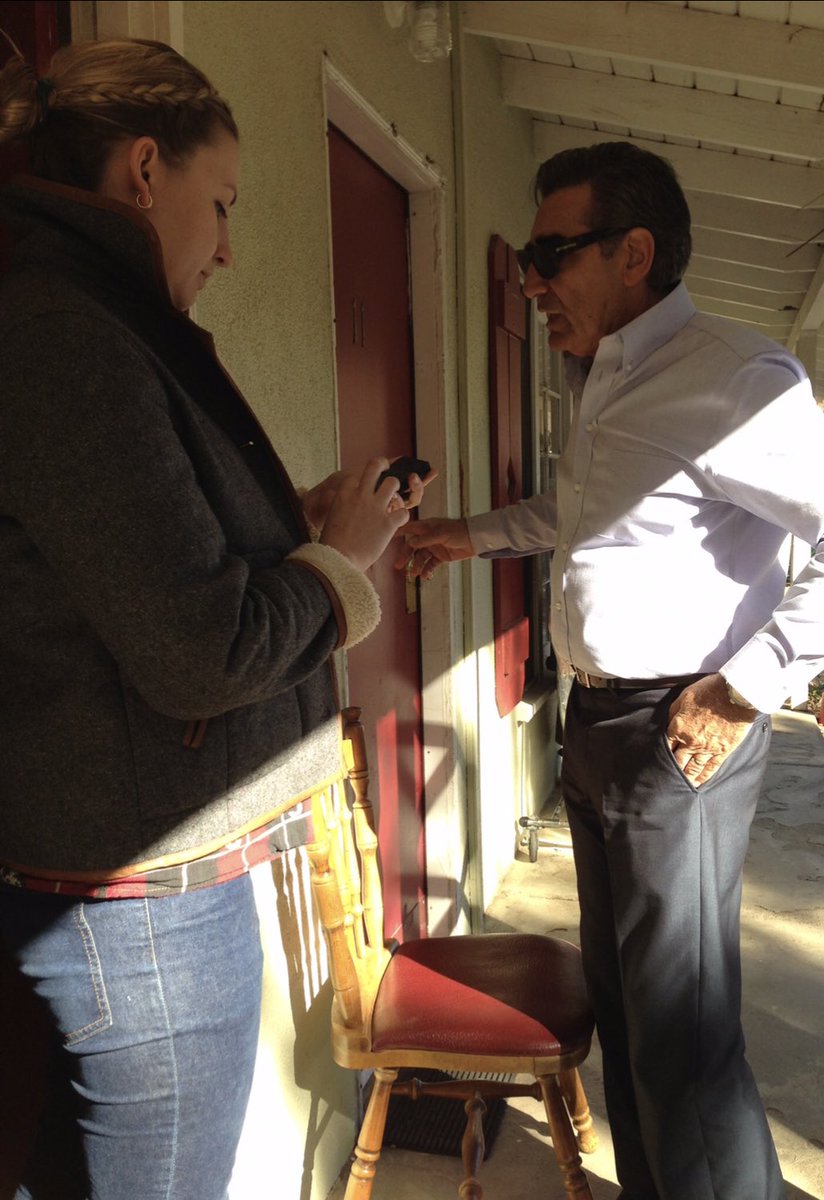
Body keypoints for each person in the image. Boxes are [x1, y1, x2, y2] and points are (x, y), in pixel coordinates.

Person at [400, 141, 824, 1199]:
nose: (531, 280)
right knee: (627, 1013)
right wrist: (469, 535)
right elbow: (587, 521)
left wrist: (747, 683)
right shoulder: (609, 376)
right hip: (598, 727)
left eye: (551, 253)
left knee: (683, 1032)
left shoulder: (729, 376)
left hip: (680, 733)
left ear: (634, 253)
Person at [0, 37, 428, 1200]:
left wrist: (299, 525)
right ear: (147, 171)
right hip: (142, 903)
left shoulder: (84, 314)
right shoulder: (63, 331)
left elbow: (119, 568)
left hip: (140, 885)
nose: (232, 246)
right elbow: (202, 650)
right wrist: (338, 564)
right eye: (223, 202)